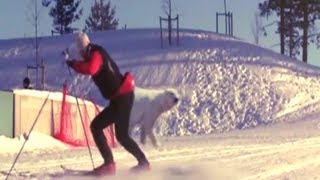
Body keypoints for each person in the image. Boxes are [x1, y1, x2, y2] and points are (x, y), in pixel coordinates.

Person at [65, 32, 150, 175]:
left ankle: (118, 164)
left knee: (110, 131)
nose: (80, 56)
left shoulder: (96, 54)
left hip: (123, 97)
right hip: (119, 98)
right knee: (108, 131)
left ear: (83, 48)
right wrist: (74, 64)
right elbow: (89, 67)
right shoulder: (93, 53)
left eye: (80, 52)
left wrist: (73, 64)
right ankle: (131, 163)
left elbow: (91, 68)